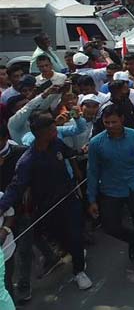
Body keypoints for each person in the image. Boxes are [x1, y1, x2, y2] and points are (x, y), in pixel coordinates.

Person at [0, 113, 92, 290]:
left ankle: (79, 271)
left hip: (69, 198)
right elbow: (16, 187)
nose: (54, 131)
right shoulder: (27, 161)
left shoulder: (56, 144)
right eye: (51, 129)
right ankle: (76, 251)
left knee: (75, 233)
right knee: (58, 236)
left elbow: (68, 153)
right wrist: (2, 206)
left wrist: (82, 151)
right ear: (40, 133)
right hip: (47, 206)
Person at [87, 104, 134, 279]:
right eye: (106, 122)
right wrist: (92, 199)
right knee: (110, 226)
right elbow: (92, 171)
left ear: (122, 120)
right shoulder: (96, 143)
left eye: (113, 122)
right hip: (110, 190)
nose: (110, 126)